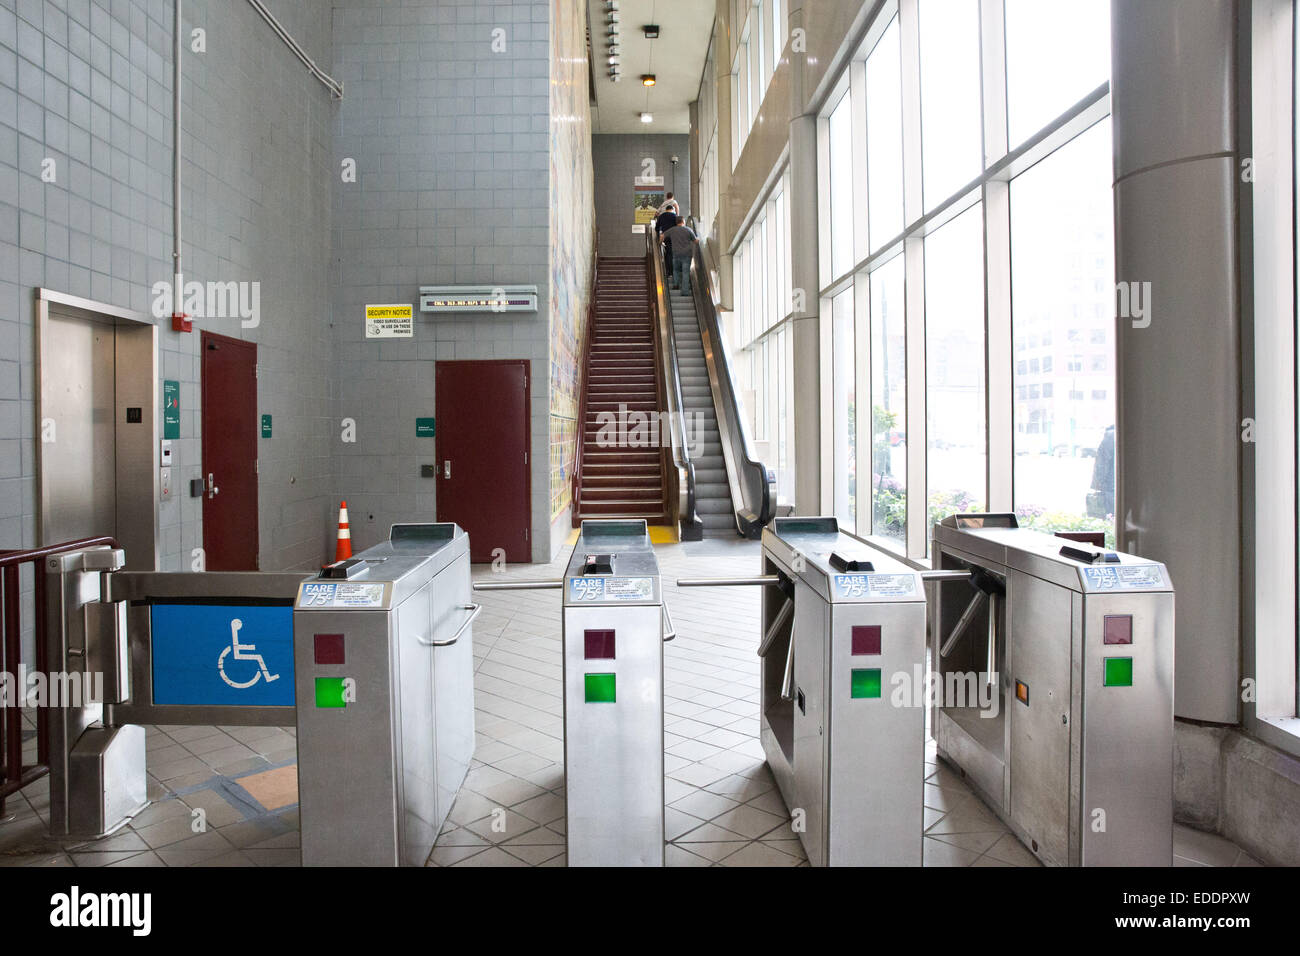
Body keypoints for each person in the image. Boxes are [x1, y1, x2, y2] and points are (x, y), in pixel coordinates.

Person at [662, 216, 698, 293]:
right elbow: (695, 241)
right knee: (685, 272)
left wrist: (660, 243)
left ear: (676, 222)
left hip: (676, 253)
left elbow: (662, 235)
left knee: (675, 270)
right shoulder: (688, 229)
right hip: (687, 254)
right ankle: (685, 291)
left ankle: (676, 285)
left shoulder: (672, 230)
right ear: (683, 221)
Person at [654, 202, 679, 279]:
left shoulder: (661, 216)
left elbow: (657, 228)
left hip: (665, 237)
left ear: (666, 209)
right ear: (672, 209)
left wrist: (658, 235)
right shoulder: (675, 216)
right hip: (675, 238)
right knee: (673, 254)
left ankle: (669, 273)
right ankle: (676, 271)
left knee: (668, 254)